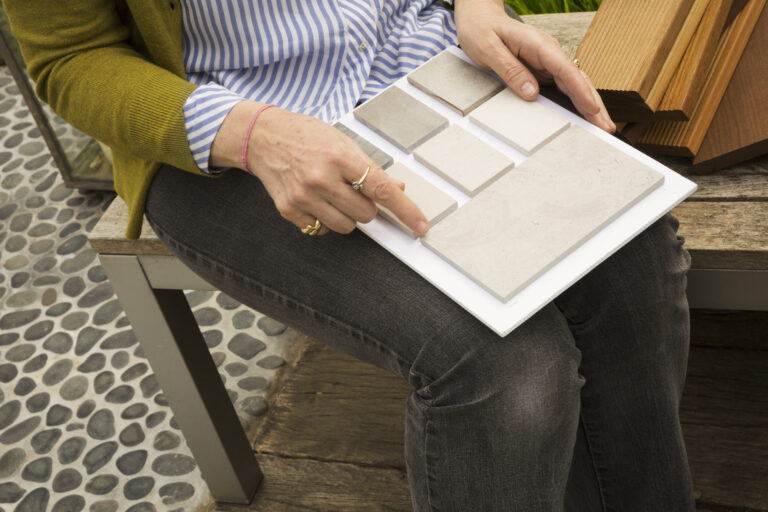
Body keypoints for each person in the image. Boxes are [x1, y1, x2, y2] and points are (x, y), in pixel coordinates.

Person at [5, 0, 695, 509]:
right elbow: (70, 63)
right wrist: (254, 135)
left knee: (635, 257)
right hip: (226, 135)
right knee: (507, 363)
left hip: (419, 56)